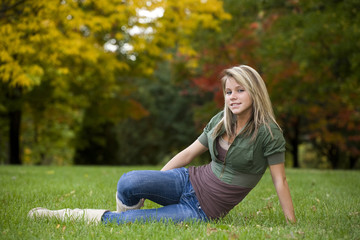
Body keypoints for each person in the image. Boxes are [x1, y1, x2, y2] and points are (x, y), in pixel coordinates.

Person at [28, 65, 296, 225]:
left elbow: (280, 181)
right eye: (228, 91)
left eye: (240, 90)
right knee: (129, 182)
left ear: (255, 91)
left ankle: (57, 215)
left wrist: (291, 224)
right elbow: (190, 153)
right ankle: (131, 209)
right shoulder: (221, 120)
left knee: (121, 223)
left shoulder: (269, 133)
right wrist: (156, 180)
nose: (232, 97)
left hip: (201, 210)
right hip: (187, 180)